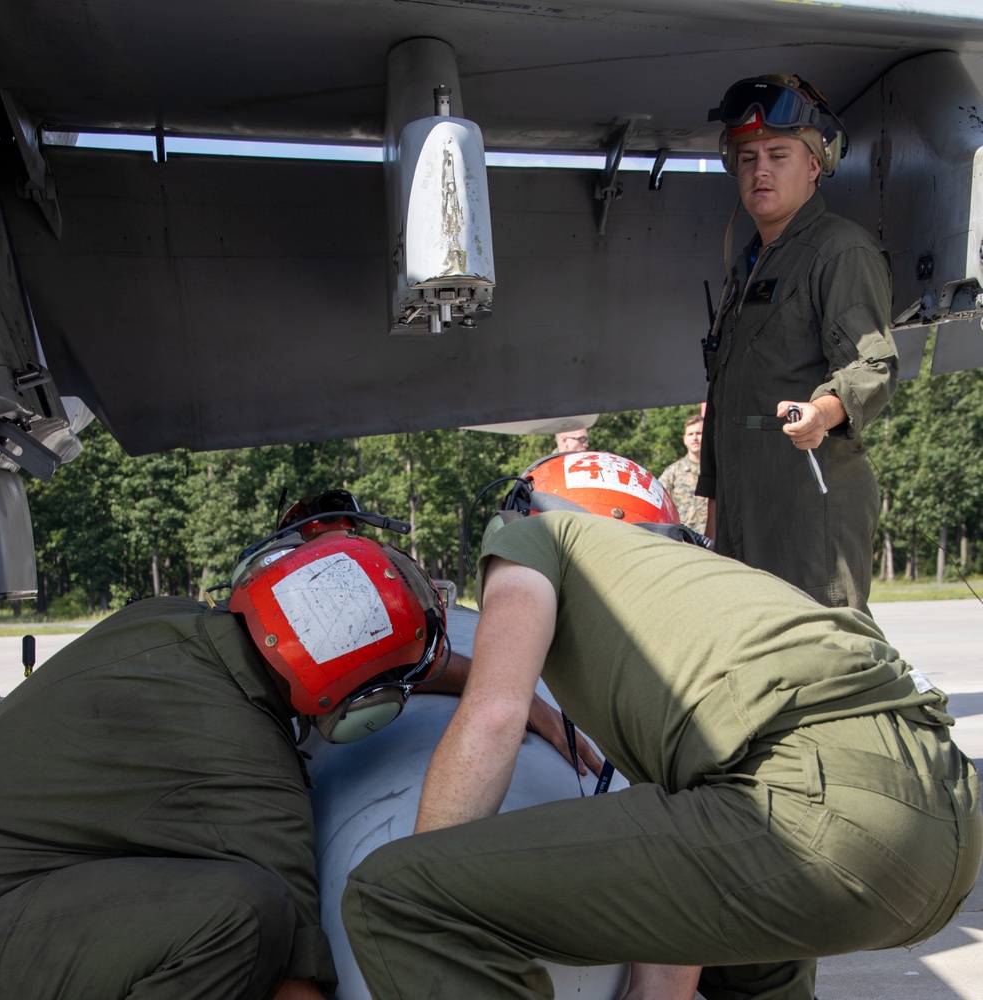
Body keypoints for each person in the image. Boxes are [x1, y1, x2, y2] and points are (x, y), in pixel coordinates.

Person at [342, 501, 981, 1000]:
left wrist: (433, 873)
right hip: (944, 828)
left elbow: (494, 714)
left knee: (397, 896)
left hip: (819, 815)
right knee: (752, 964)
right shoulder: (690, 588)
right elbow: (689, 845)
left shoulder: (532, 540)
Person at [0, 490, 596, 1000]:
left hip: (19, 887)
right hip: (0, 932)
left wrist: (503, 690)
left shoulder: (156, 618)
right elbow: (297, 988)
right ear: (366, 709)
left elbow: (316, 657)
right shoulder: (258, 786)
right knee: (247, 915)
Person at [697, 74, 899, 615]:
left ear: (814, 165)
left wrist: (823, 411)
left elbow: (872, 363)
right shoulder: (748, 266)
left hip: (808, 509)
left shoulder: (840, 251)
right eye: (748, 157)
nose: (760, 169)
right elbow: (727, 400)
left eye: (778, 154)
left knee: (826, 660)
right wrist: (716, 525)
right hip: (744, 514)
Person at [658, 412, 708, 534]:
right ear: (685, 439)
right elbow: (658, 502)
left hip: (714, 543)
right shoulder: (673, 472)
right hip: (684, 542)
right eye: (690, 434)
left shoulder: (718, 472)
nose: (695, 438)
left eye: (699, 433)